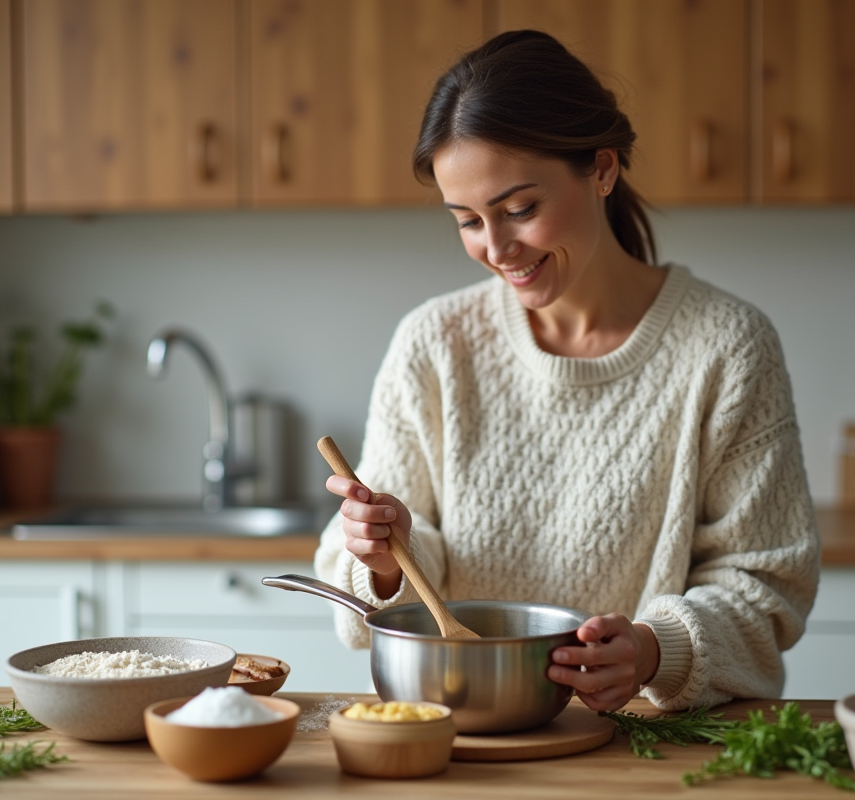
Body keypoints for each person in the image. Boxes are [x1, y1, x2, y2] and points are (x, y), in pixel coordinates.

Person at [315, 29, 819, 713]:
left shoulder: (727, 346)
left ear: (602, 169)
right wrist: (381, 563)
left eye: (520, 209)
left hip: (649, 752)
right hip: (459, 739)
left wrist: (650, 650)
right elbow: (377, 592)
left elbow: (767, 590)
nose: (496, 249)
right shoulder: (433, 344)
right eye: (466, 220)